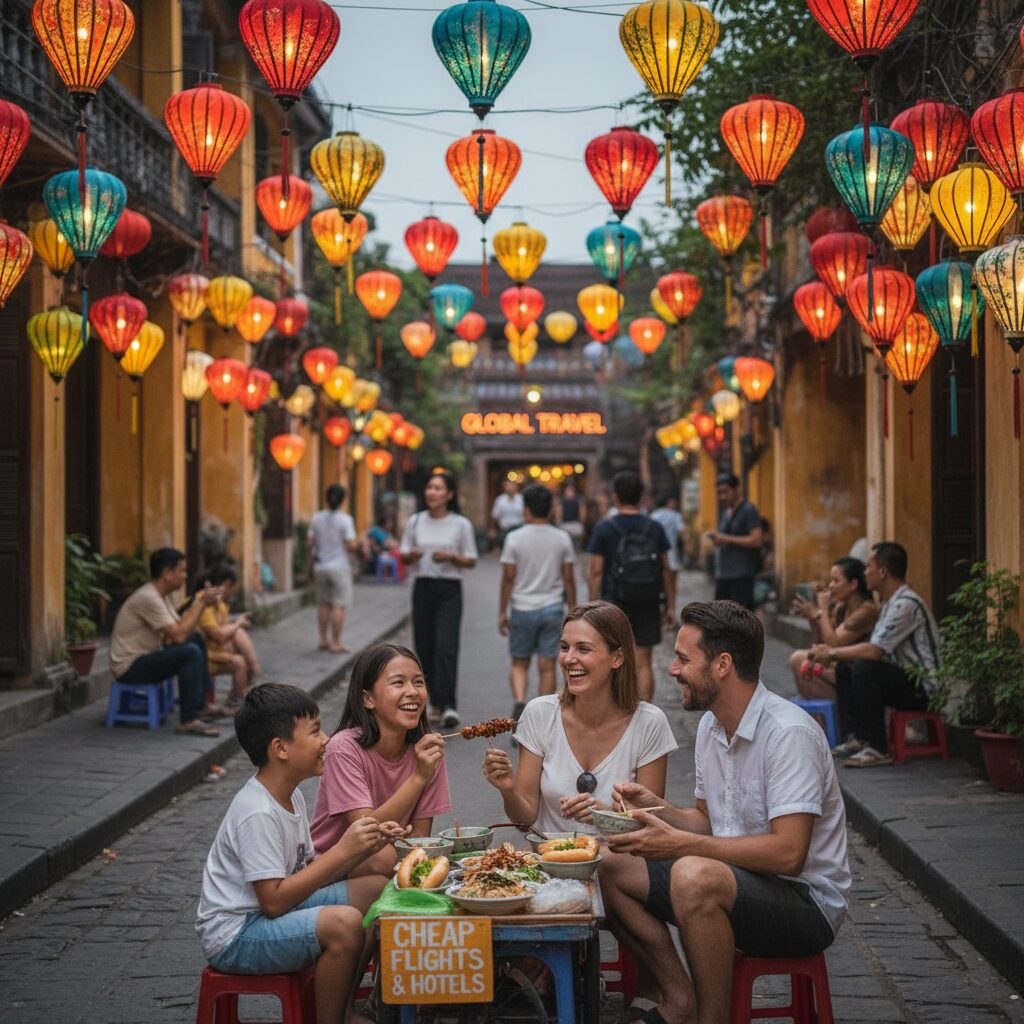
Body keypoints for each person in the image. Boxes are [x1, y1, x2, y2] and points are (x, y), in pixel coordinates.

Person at [599, 601, 851, 1024]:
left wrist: (681, 845)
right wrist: (656, 808)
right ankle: (681, 998)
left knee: (693, 874)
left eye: (683, 658)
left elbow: (789, 854)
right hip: (739, 881)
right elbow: (708, 822)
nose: (672, 670)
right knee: (611, 863)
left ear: (722, 665)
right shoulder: (711, 728)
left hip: (805, 902)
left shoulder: (788, 734)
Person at [195, 683, 404, 1024]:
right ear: (280, 748)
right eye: (316, 731)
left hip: (270, 912)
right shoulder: (257, 811)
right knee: (345, 923)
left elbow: (308, 871)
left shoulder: (291, 796)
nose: (326, 740)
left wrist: (363, 846)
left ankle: (343, 1004)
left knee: (378, 888)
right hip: (237, 934)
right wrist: (343, 851)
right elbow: (274, 901)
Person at [482, 601, 677, 837]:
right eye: (565, 647)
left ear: (617, 658)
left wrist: (603, 816)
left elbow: (648, 827)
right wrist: (508, 789)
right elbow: (525, 820)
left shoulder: (649, 723)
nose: (568, 659)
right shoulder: (539, 713)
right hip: (549, 860)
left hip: (620, 861)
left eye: (583, 649)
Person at [310, 643, 450, 875]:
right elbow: (367, 831)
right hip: (329, 865)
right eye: (398, 683)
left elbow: (418, 838)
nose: (413, 692)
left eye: (418, 682)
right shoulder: (344, 748)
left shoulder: (427, 749)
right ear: (368, 699)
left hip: (391, 862)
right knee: (384, 856)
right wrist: (419, 777)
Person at [811, 541, 940, 767]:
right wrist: (834, 654)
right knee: (848, 665)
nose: (865, 572)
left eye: (869, 566)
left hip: (926, 689)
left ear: (882, 572)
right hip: (905, 680)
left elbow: (874, 651)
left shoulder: (906, 604)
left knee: (864, 666)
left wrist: (831, 652)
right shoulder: (891, 603)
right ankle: (859, 738)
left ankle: (878, 748)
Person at [109, 547, 224, 737]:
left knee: (196, 638)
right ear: (167, 573)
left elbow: (180, 628)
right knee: (190, 652)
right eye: (182, 571)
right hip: (129, 666)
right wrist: (202, 603)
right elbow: (178, 636)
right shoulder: (148, 597)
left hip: (146, 656)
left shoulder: (162, 596)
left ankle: (202, 705)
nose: (185, 576)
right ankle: (188, 720)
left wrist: (199, 602)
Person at [587, 471, 675, 702]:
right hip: (648, 599)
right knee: (644, 660)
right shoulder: (654, 528)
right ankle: (645, 715)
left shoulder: (604, 528)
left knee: (612, 657)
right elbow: (667, 568)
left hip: (614, 601)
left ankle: (617, 708)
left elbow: (596, 569)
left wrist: (592, 604)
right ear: (641, 496)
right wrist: (671, 605)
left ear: (615, 496)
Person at [399, 472, 478, 729]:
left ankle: (449, 705)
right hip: (423, 587)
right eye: (429, 487)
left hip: (450, 589)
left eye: (438, 488)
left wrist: (452, 557)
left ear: (449, 495)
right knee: (424, 646)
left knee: (446, 646)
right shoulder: (415, 521)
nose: (431, 492)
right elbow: (403, 553)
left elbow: (471, 559)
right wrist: (411, 555)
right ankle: (432, 702)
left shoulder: (460, 524)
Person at [499, 484, 578, 719]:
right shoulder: (562, 538)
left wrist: (502, 610)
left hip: (522, 607)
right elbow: (569, 578)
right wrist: (573, 609)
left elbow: (508, 577)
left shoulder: (514, 538)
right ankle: (542, 714)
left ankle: (520, 701)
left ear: (526, 510)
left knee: (519, 662)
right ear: (550, 510)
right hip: (553, 608)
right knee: (547, 665)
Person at [789, 558, 877, 700]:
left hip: (855, 675)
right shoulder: (842, 607)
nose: (830, 586)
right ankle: (822, 715)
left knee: (798, 659)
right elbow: (819, 644)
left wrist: (821, 611)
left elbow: (832, 646)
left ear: (853, 584)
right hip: (840, 668)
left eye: (836, 581)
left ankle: (829, 717)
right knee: (805, 660)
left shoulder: (866, 610)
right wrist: (812, 617)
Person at [196, 564, 262, 712]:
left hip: (213, 648)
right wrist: (238, 623)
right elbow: (217, 635)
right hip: (203, 653)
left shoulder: (220, 604)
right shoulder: (204, 601)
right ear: (226, 584)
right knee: (239, 658)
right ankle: (237, 702)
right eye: (232, 587)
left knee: (239, 643)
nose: (233, 591)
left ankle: (237, 699)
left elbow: (222, 632)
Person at [309, 484, 358, 654]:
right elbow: (351, 544)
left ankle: (323, 640)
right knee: (338, 604)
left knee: (323, 604)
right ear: (343, 500)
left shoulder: (316, 517)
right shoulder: (345, 520)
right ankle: (335, 642)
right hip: (339, 567)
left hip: (320, 566)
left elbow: (310, 541)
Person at [706, 473, 764, 611]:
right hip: (724, 574)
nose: (722, 497)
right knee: (721, 617)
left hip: (741, 575)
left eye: (726, 492)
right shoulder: (726, 512)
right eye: (719, 493)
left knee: (740, 620)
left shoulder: (748, 510)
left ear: (737, 489)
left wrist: (726, 539)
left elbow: (757, 539)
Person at [650, 492, 685, 601]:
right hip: (671, 551)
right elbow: (681, 532)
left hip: (655, 552)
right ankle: (671, 608)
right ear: (668, 502)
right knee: (672, 583)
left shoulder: (652, 516)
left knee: (657, 580)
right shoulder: (675, 515)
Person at [489, 478, 524, 550]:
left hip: (519, 529)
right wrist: (493, 529)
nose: (509, 488)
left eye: (511, 485)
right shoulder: (500, 499)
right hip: (505, 530)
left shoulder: (522, 499)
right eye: (507, 486)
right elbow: (495, 515)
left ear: (516, 486)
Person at [557, 481, 586, 550]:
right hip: (568, 524)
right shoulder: (577, 500)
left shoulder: (577, 500)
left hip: (573, 524)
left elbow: (582, 512)